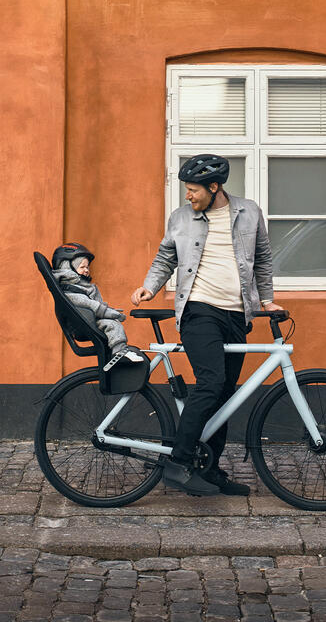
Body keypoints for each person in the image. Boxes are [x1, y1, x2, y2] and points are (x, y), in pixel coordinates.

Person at [131, 154, 283, 498]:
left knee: (224, 395)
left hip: (237, 314)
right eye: (187, 189)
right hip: (199, 311)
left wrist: (268, 299)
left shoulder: (249, 212)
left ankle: (209, 468)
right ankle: (178, 463)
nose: (188, 195)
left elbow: (262, 258)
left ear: (214, 188)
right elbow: (166, 257)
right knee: (211, 382)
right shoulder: (181, 218)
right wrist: (150, 286)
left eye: (193, 190)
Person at [52, 243, 145, 365]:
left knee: (113, 324)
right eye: (82, 267)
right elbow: (89, 304)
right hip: (83, 324)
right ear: (68, 268)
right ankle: (120, 352)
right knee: (113, 325)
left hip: (88, 320)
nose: (86, 270)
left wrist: (109, 310)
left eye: (87, 267)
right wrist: (109, 313)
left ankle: (118, 352)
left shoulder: (81, 286)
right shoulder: (70, 291)